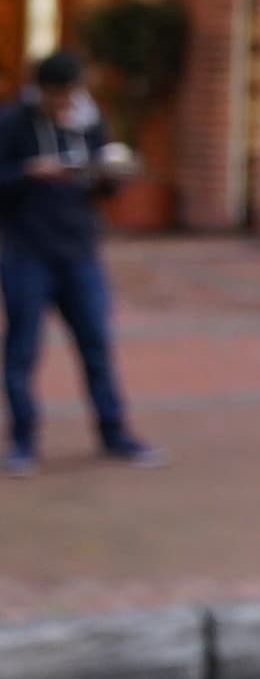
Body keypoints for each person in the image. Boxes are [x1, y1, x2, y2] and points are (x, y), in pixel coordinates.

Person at [0, 50, 160, 475]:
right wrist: (29, 173)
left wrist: (109, 176)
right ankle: (22, 441)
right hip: (25, 253)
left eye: (73, 94)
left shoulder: (90, 122)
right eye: (60, 95)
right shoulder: (13, 122)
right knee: (22, 350)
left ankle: (114, 432)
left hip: (79, 251)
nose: (67, 103)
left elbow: (100, 190)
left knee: (96, 347)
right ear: (44, 91)